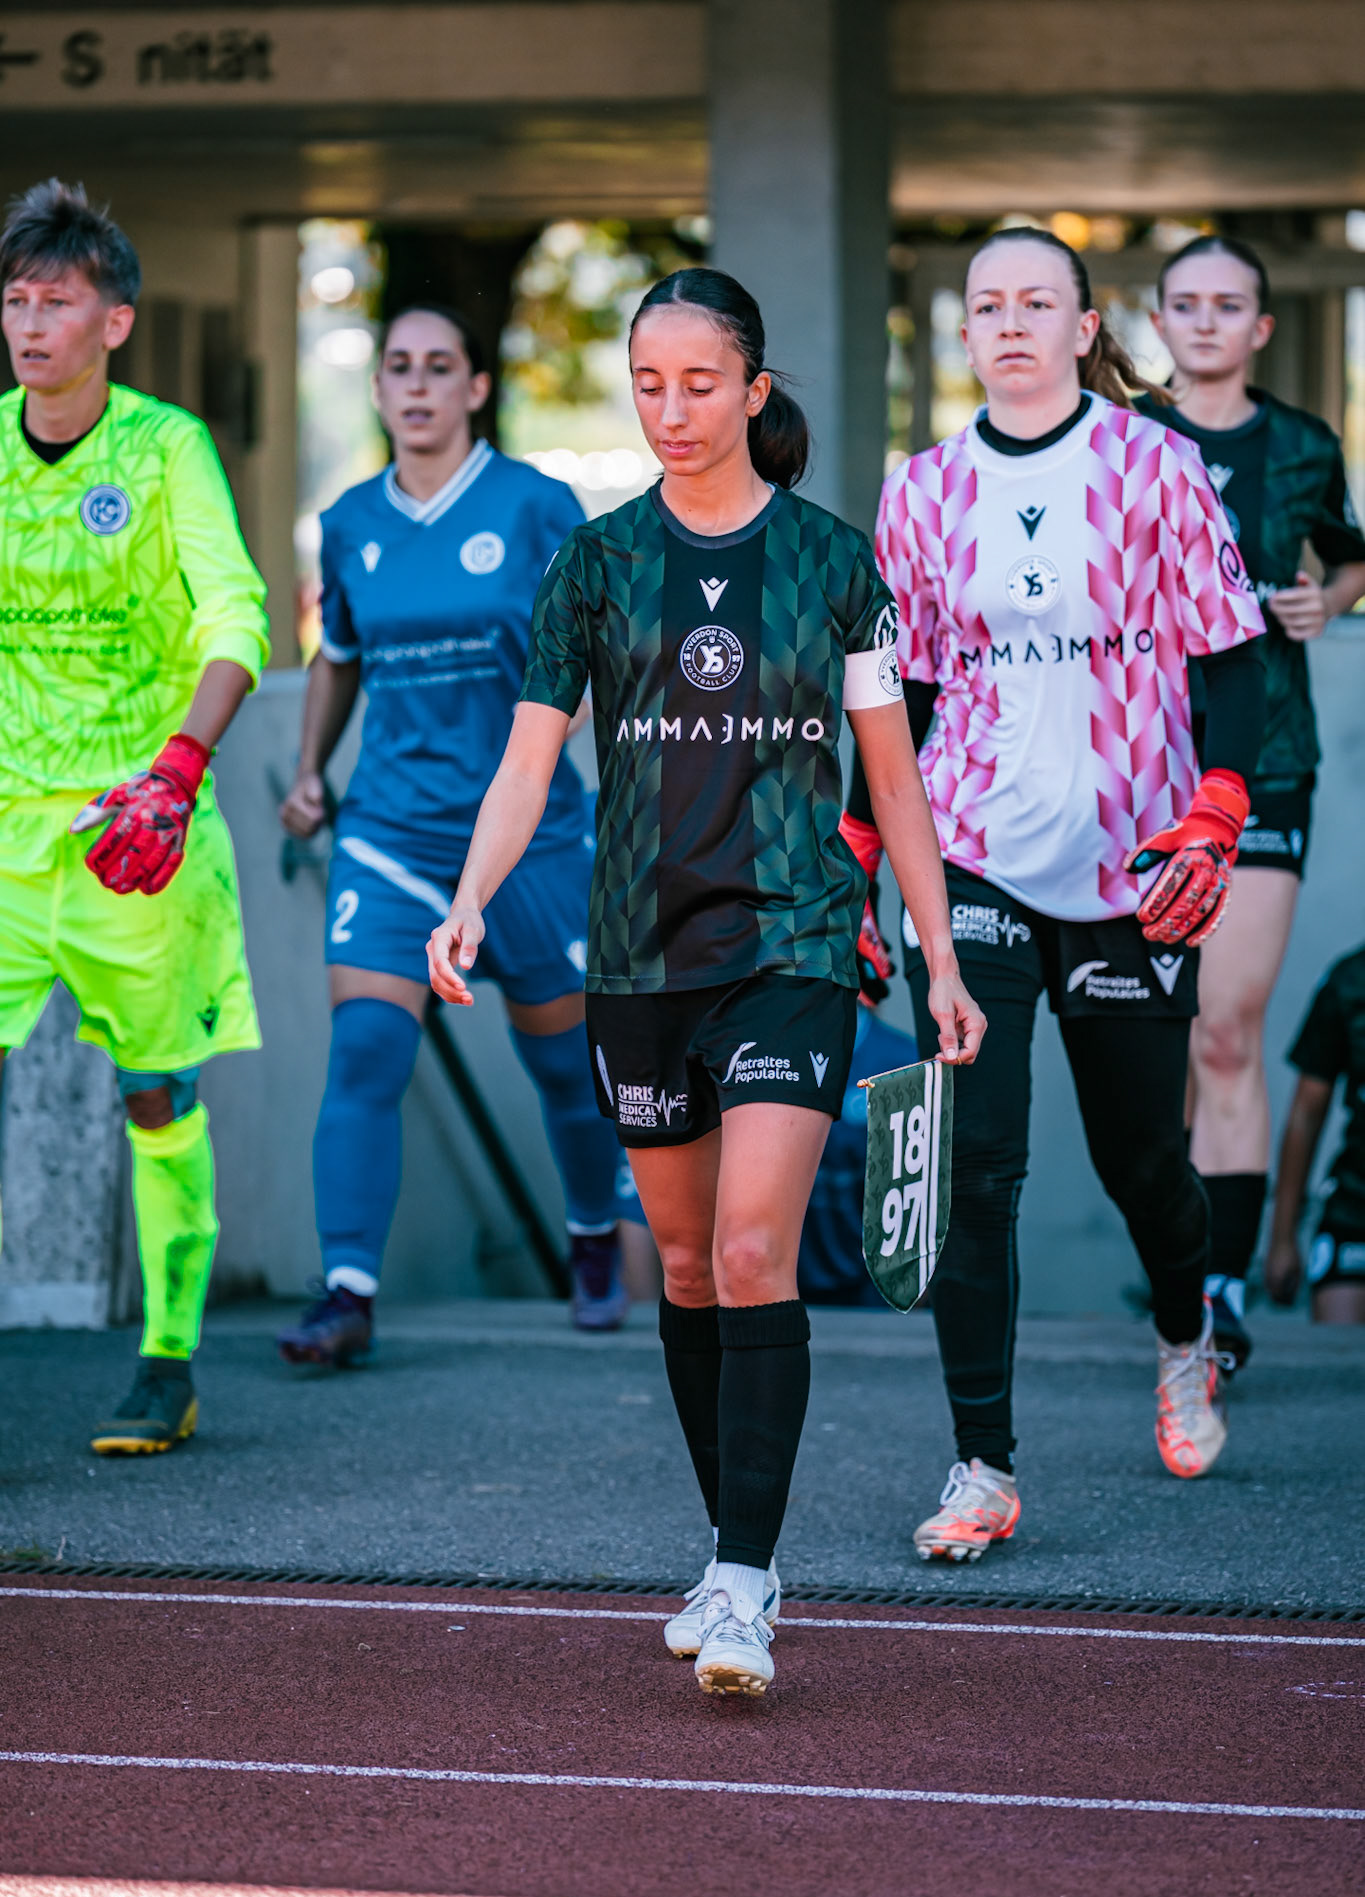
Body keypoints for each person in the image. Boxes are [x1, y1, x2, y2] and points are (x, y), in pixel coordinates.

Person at [428, 267, 983, 1694]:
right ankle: (737, 1543)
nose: (672, 411)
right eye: (649, 384)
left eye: (699, 383)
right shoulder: (596, 564)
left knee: (751, 1251)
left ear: (755, 389)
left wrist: (935, 949)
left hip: (797, 946)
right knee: (681, 1263)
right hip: (638, 959)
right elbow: (532, 755)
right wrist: (472, 897)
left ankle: (740, 1584)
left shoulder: (833, 563)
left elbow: (896, 785)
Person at [844, 224, 1267, 1558]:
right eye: (987, 305)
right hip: (965, 858)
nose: (1012, 321)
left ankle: (1185, 1334)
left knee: (1144, 1158)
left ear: (1086, 329)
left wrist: (1219, 804)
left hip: (1133, 866)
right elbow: (896, 693)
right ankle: (981, 1464)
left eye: (1040, 301)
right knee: (975, 1164)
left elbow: (1230, 658)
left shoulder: (1160, 467)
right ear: (963, 334)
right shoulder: (916, 492)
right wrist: (863, 857)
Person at [277, 303, 631, 1359]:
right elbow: (338, 651)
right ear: (378, 388)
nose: (418, 386)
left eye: (441, 368)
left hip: (529, 832)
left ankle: (592, 1232)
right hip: (390, 829)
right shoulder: (348, 521)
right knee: (368, 1049)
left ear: (478, 387)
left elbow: (604, 654)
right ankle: (346, 1290)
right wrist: (307, 770)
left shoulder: (536, 506)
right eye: (399, 368)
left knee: (566, 1066)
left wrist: (626, 777)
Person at [0, 179, 268, 1452]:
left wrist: (176, 767)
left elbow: (236, 618)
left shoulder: (166, 450)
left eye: (57, 301)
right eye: (15, 300)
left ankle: (167, 1356)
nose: (30, 323)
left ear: (114, 322)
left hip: (140, 826)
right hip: (5, 833)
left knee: (157, 1094)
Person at [1136, 236, 1365, 1370]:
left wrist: (1328, 596)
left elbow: (1350, 557)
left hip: (1268, 758)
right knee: (1162, 1038)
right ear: (1160, 321)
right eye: (1188, 304)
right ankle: (1185, 1262)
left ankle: (1217, 1299)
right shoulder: (1123, 441)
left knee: (1225, 1029)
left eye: (1231, 306)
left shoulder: (1306, 446)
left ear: (1262, 327)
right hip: (1135, 765)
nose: (1209, 322)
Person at [1264, 943, 1365, 1325]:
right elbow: (1306, 1114)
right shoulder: (1350, 980)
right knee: (1335, 1359)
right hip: (1355, 1212)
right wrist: (1283, 1237)